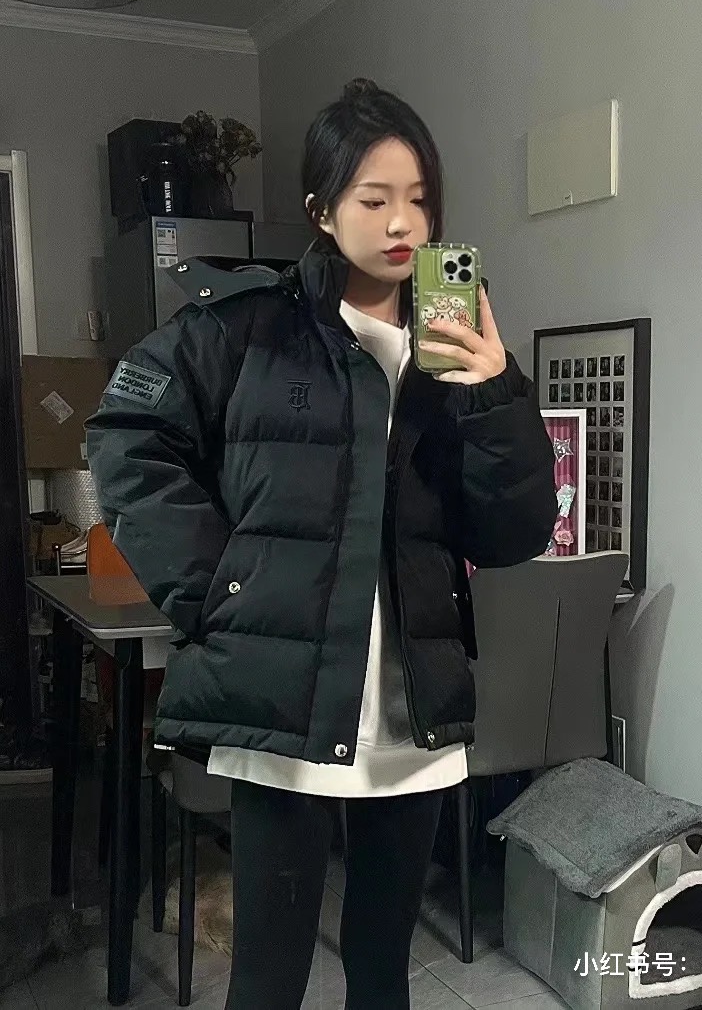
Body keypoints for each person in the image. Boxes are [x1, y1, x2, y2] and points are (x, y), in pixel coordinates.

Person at [85, 78, 557, 1009]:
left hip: (413, 707)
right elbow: (127, 436)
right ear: (320, 210)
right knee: (268, 979)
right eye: (373, 199)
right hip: (284, 703)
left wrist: (497, 393)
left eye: (419, 199)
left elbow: (513, 533)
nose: (402, 223)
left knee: (382, 973)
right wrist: (217, 588)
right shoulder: (248, 324)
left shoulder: (461, 347)